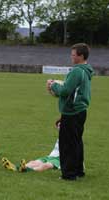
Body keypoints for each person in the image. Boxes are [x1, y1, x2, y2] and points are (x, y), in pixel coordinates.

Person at [47, 43, 94, 181]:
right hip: (80, 111)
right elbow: (73, 89)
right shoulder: (86, 70)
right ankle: (78, 170)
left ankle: (68, 174)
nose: (71, 57)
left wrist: (53, 85)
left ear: (81, 56)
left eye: (73, 55)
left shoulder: (77, 71)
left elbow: (66, 90)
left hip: (71, 112)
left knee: (67, 144)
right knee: (76, 142)